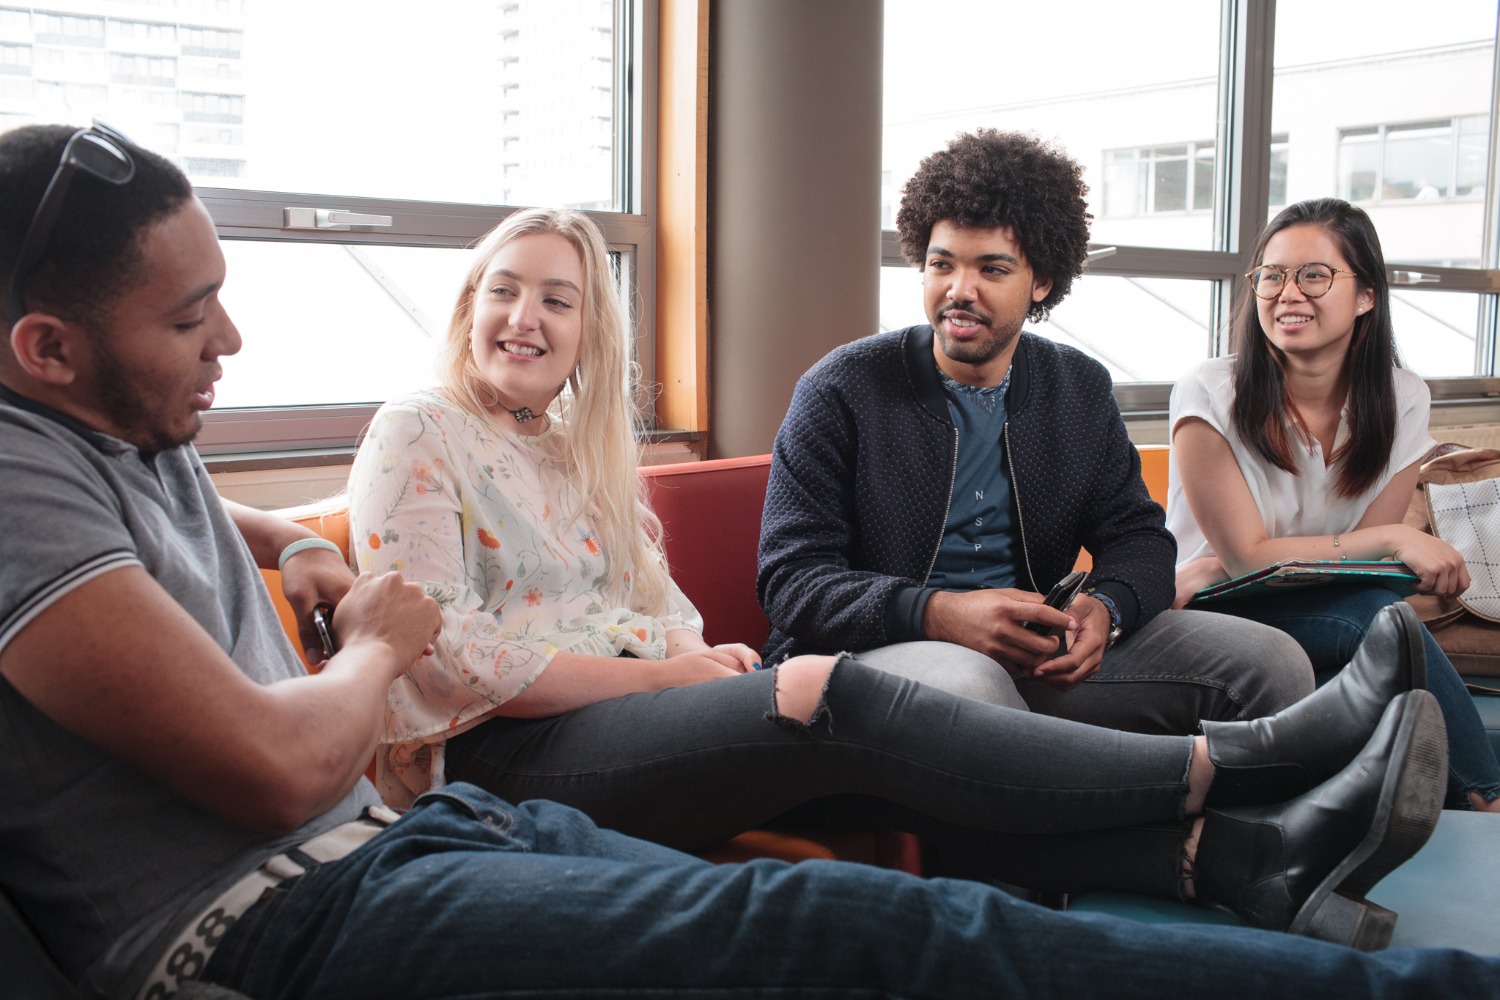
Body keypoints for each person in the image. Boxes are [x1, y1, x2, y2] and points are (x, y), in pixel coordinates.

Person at [0, 123, 1480, 1000]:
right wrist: (379, 629)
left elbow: (1141, 537)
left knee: (912, 885)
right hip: (304, 885)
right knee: (846, 832)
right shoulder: (32, 480)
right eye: (192, 321)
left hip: (421, 833)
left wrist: (292, 545)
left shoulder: (125, 437)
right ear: (46, 347)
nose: (232, 345)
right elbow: (311, 743)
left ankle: (1247, 840)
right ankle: (1245, 792)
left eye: (563, 302)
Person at [757, 128, 1311, 738]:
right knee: (975, 688)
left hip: (1032, 656)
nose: (959, 290)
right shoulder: (841, 388)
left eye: (992, 268)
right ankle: (1166, 813)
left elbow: (1139, 537)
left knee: (1270, 662)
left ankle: (1247, 829)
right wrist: (940, 614)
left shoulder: (1076, 388)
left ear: (1041, 282)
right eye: (942, 264)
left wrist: (1107, 610)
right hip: (874, 658)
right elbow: (792, 579)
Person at [1166, 196, 1500, 813]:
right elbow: (1246, 562)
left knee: (1375, 632)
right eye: (1272, 275)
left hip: (1328, 608)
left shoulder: (1402, 398)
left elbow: (1358, 576)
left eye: (1314, 275)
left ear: (1367, 294)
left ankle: (1464, 813)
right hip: (1212, 613)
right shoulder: (1211, 390)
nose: (1288, 293)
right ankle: (1487, 799)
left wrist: (1261, 559)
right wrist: (1395, 538)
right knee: (1379, 626)